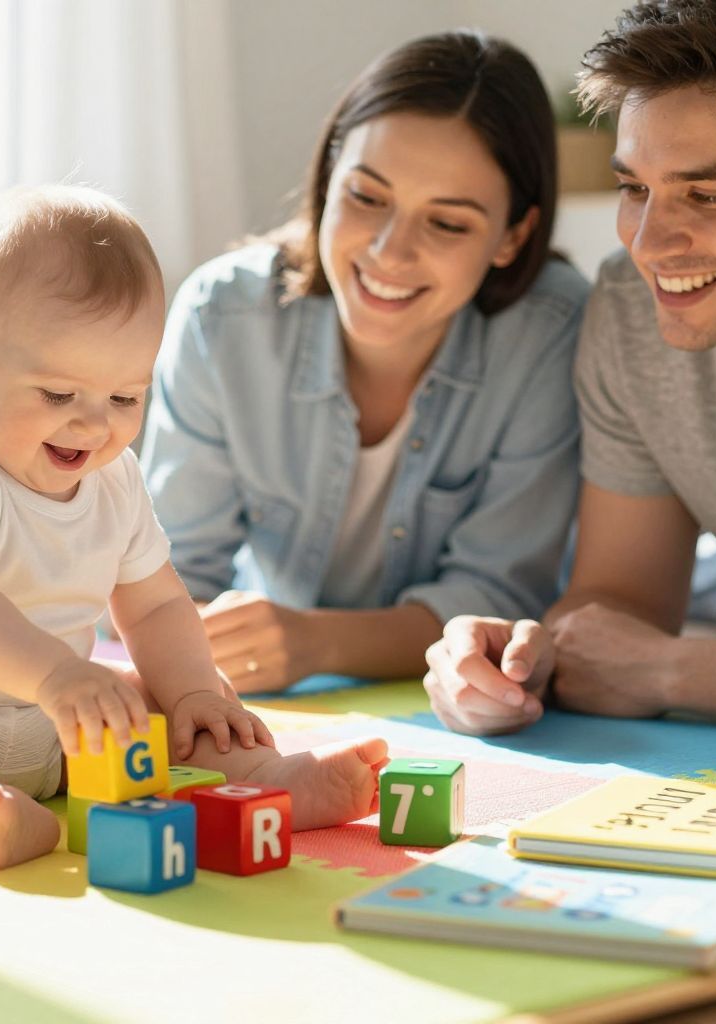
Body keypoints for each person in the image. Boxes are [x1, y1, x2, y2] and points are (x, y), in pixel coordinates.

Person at [0, 185, 388, 874]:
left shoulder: (114, 478)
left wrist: (194, 694)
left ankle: (272, 780)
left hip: (65, 730)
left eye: (124, 397)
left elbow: (155, 605)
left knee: (175, 695)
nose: (93, 424)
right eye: (58, 394)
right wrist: (56, 675)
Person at [424, 0, 716, 741]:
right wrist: (526, 664)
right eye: (634, 189)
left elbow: (649, 661)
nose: (648, 244)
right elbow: (624, 601)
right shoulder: (628, 310)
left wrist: (674, 672)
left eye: (707, 195)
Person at [141, 32, 591, 694]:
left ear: (513, 236)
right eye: (367, 197)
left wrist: (316, 642)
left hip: (445, 691)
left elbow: (500, 592)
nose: (389, 252)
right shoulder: (223, 316)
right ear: (328, 180)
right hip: (270, 687)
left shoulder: (551, 330)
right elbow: (166, 576)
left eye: (447, 223)